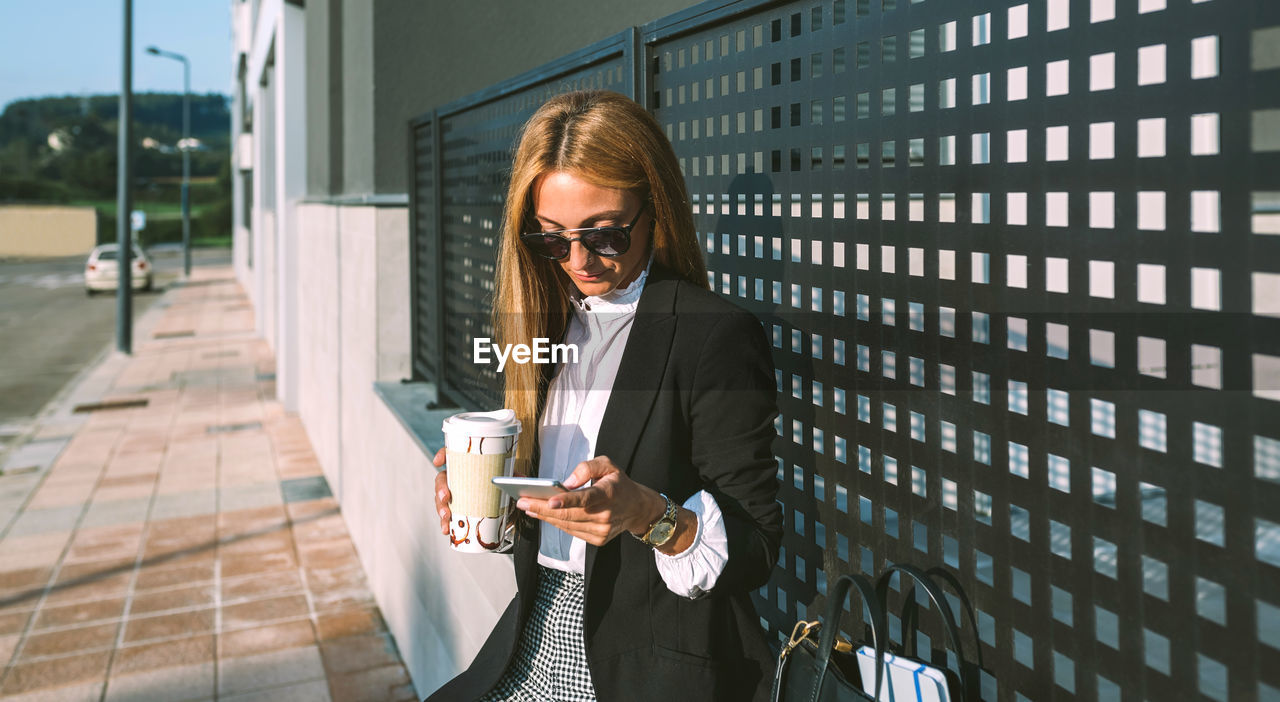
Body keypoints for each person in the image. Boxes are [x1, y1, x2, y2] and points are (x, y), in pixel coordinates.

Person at [425, 90, 781, 702]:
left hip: (647, 662)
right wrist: (501, 500)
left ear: (655, 209)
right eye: (552, 239)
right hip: (534, 628)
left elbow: (758, 547)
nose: (579, 260)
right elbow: (556, 517)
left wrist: (648, 514)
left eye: (605, 234)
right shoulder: (546, 320)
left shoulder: (713, 334)